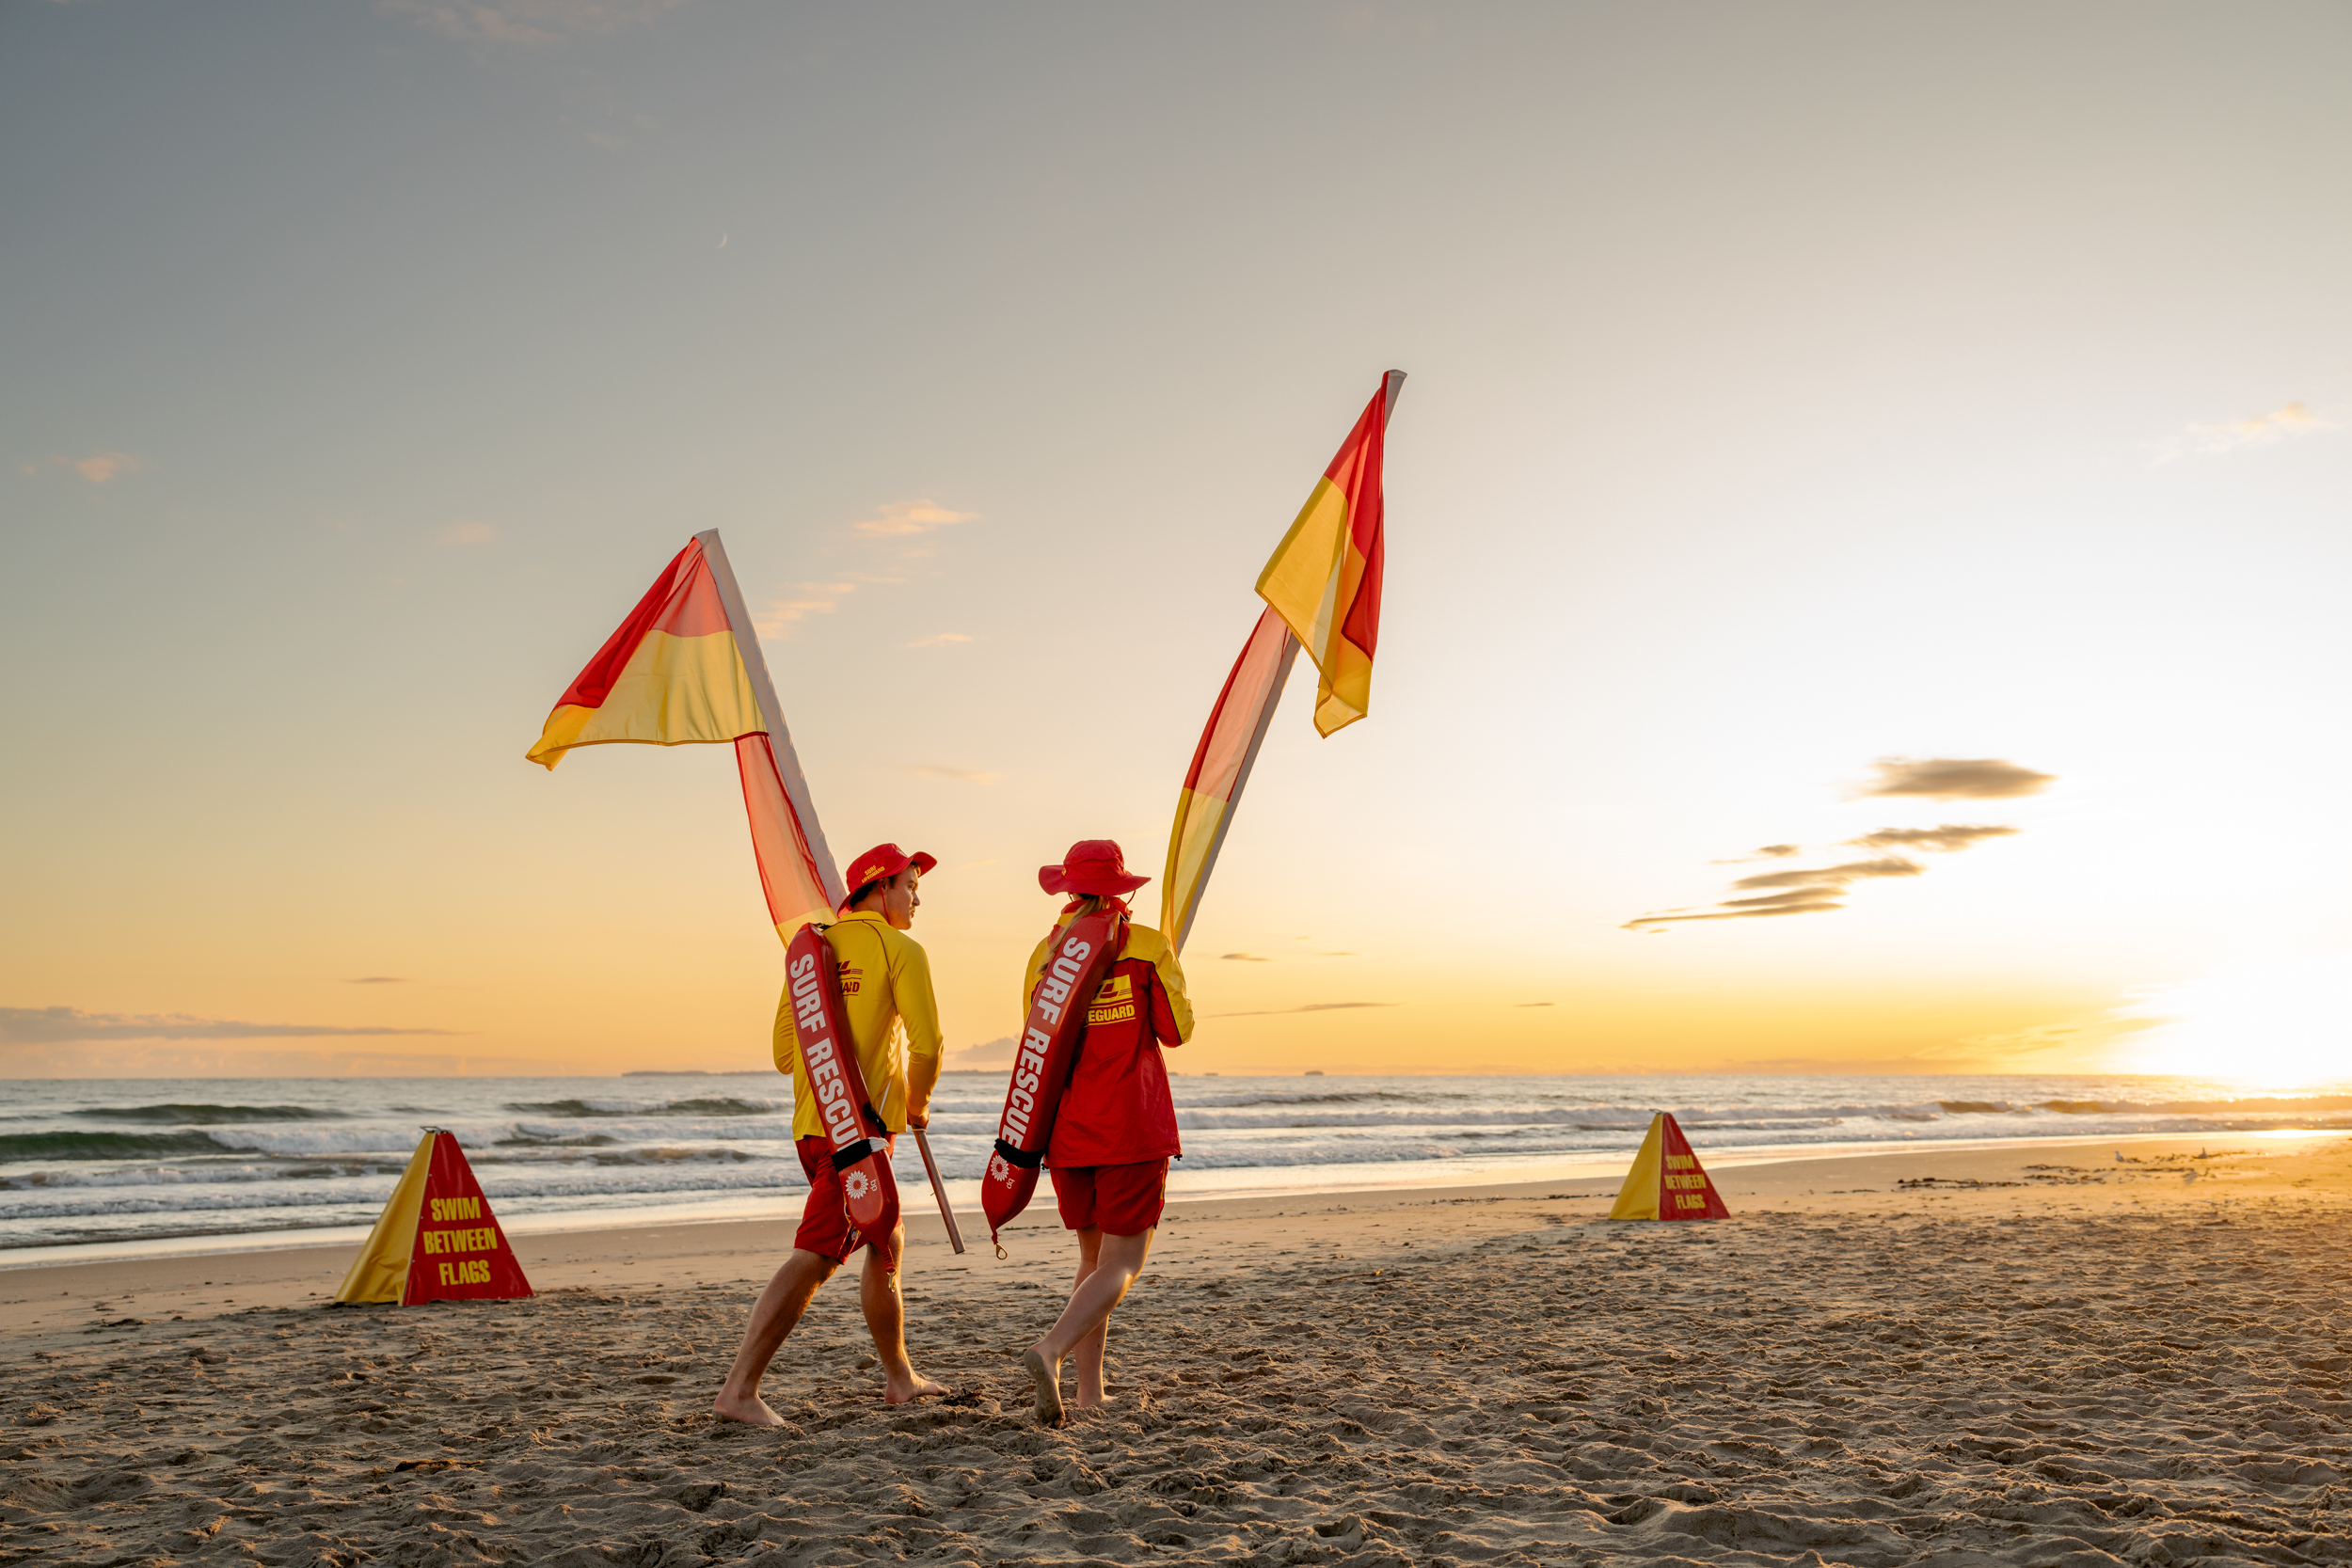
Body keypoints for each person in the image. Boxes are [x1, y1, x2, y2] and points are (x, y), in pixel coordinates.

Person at [714, 844, 950, 1425]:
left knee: (886, 1239)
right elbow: (927, 1046)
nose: (917, 899)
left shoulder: (811, 953)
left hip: (811, 1126)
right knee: (816, 1258)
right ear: (881, 887)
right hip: (857, 1134)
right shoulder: (902, 950)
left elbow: (784, 1055)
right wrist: (916, 1105)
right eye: (911, 886)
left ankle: (900, 1378)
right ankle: (738, 1392)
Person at [1017, 839, 1194, 1425]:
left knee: (1093, 1259)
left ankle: (1089, 1393)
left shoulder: (1045, 954)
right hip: (1130, 1125)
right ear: (1121, 889)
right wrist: (1167, 969)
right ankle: (1050, 1349)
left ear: (1069, 889)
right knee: (1123, 1262)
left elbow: (1038, 1045)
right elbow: (1178, 1030)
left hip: (1070, 1132)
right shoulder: (1146, 945)